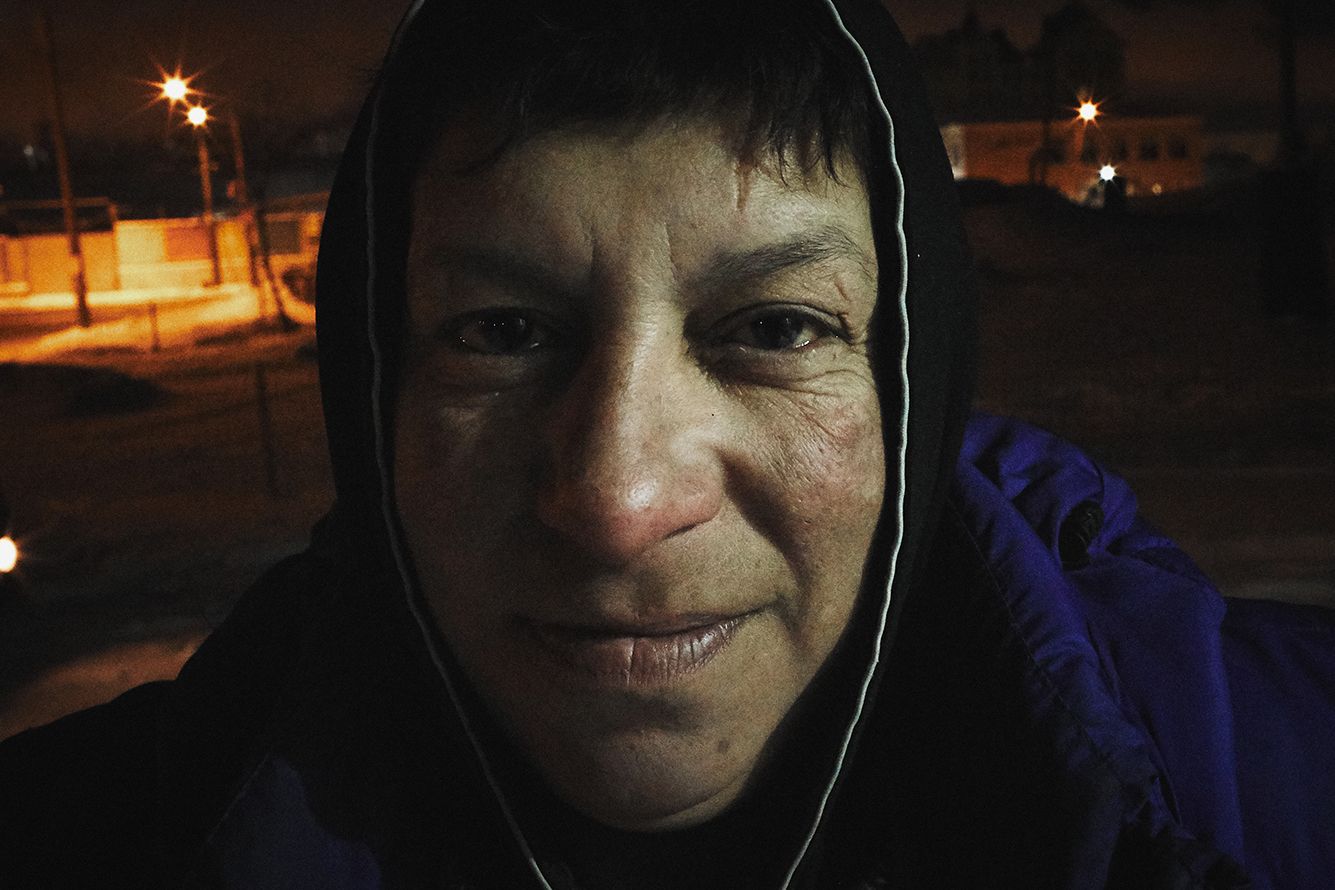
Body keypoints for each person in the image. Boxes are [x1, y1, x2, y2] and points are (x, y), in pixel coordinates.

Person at [2, 0, 1333, 887]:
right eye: (503, 331)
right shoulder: (101, 834)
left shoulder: (1269, 786)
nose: (620, 499)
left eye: (777, 326)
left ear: (912, 388)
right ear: (375, 394)